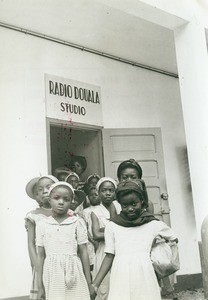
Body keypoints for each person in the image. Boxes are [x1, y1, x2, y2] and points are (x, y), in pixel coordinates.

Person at [92, 180, 177, 300]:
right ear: (119, 204)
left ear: (142, 201)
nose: (130, 209)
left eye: (134, 204)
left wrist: (160, 252)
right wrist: (95, 284)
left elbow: (173, 238)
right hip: (121, 273)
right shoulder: (113, 226)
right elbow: (109, 255)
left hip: (145, 272)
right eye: (125, 205)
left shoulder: (152, 223)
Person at [36, 182, 96, 300]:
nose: (61, 202)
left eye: (66, 199)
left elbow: (84, 252)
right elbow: (40, 255)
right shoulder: (42, 224)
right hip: (53, 274)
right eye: (56, 198)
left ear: (71, 201)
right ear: (49, 199)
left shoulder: (77, 222)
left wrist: (89, 283)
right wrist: (39, 287)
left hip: (73, 271)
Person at [25, 175, 58, 300]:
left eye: (48, 187)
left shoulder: (64, 213)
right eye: (40, 189)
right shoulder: (33, 216)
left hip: (60, 261)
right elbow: (31, 244)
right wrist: (38, 267)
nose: (44, 191)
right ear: (37, 196)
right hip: (42, 263)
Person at [91, 177, 117, 300]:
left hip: (119, 250)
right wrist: (113, 232)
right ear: (98, 193)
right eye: (104, 190)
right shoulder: (95, 211)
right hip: (103, 251)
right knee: (104, 286)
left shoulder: (120, 207)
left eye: (111, 190)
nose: (107, 193)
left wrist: (104, 231)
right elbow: (96, 235)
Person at [83, 186, 100, 271]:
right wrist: (92, 240)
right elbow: (84, 228)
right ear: (88, 197)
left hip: (101, 239)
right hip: (90, 240)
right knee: (92, 263)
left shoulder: (102, 209)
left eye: (96, 194)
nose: (93, 196)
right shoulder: (85, 211)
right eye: (91, 195)